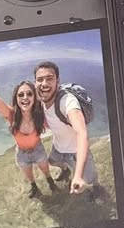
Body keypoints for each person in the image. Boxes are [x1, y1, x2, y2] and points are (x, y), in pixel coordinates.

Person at [32, 60, 101, 198]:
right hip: (58, 147)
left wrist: (78, 176)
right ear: (35, 83)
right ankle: (65, 170)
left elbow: (82, 133)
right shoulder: (41, 98)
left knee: (89, 179)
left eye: (49, 78)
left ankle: (96, 189)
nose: (44, 83)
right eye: (40, 79)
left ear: (57, 81)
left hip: (76, 151)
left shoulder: (67, 101)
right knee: (53, 161)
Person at [0, 80, 57, 201]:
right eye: (20, 95)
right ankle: (34, 187)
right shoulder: (11, 115)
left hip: (38, 150)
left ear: (35, 97)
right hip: (22, 153)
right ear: (16, 98)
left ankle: (50, 182)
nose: (25, 97)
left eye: (29, 94)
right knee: (28, 174)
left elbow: (57, 121)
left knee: (45, 169)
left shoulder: (40, 115)